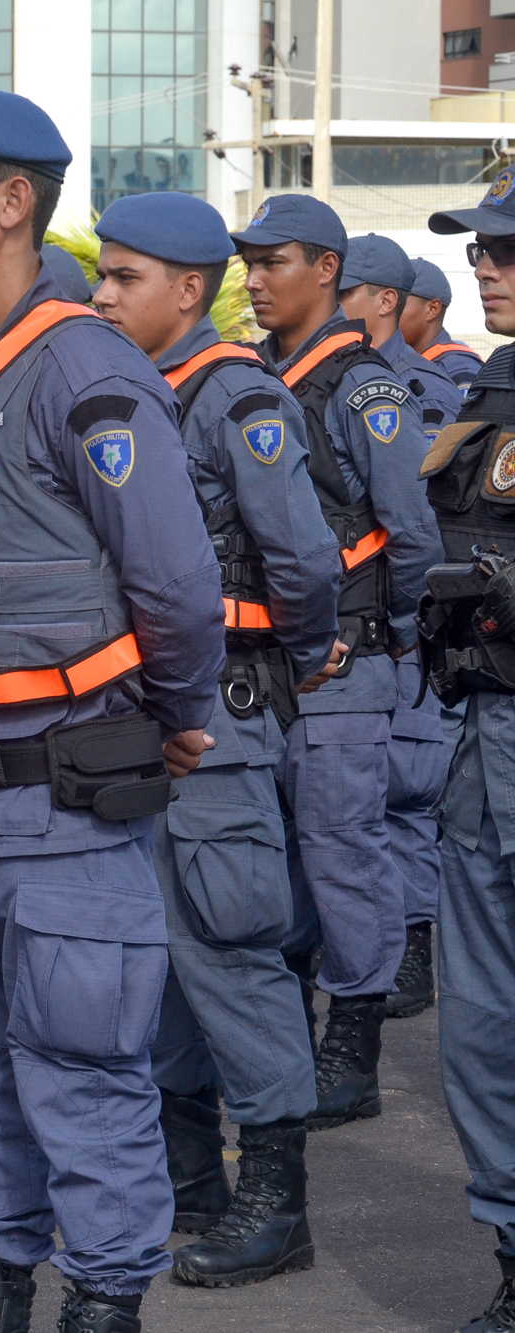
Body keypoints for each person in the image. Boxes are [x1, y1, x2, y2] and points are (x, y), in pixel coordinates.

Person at [0, 91, 226, 1333]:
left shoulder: (82, 362)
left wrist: (174, 711)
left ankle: (101, 1297)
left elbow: (176, 579)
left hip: (63, 792)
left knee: (81, 1070)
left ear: (11, 203)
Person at [91, 191, 341, 1289]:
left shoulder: (231, 396)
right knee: (156, 961)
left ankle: (274, 1196)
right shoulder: (128, 390)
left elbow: (302, 560)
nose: (100, 295)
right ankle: (186, 1176)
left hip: (220, 717)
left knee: (230, 950)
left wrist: (294, 661)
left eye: (122, 277)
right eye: (98, 274)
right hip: (140, 718)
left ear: (187, 291)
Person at [233, 196, 440, 1131]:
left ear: (327, 269)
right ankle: (290, 1038)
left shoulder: (364, 387)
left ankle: (351, 1040)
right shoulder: (253, 376)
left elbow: (411, 530)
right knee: (275, 859)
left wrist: (389, 631)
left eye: (275, 261)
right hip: (265, 663)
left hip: (343, 661)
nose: (256, 279)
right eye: (249, 262)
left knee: (342, 850)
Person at [420, 164, 515, 1333]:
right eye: (481, 246)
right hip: (480, 732)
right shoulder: (492, 387)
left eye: (502, 247)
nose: (482, 263)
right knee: (481, 1025)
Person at [339, 233, 463, 1024]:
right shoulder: (314, 377)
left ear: (385, 299)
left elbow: (426, 523)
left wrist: (413, 624)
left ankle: (412, 944)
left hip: (408, 622)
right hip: (344, 630)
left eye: (346, 287)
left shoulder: (428, 389)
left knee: (408, 794)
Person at [401, 255, 484, 389]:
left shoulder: (458, 369)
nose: (388, 310)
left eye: (400, 303)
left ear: (432, 309)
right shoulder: (409, 360)